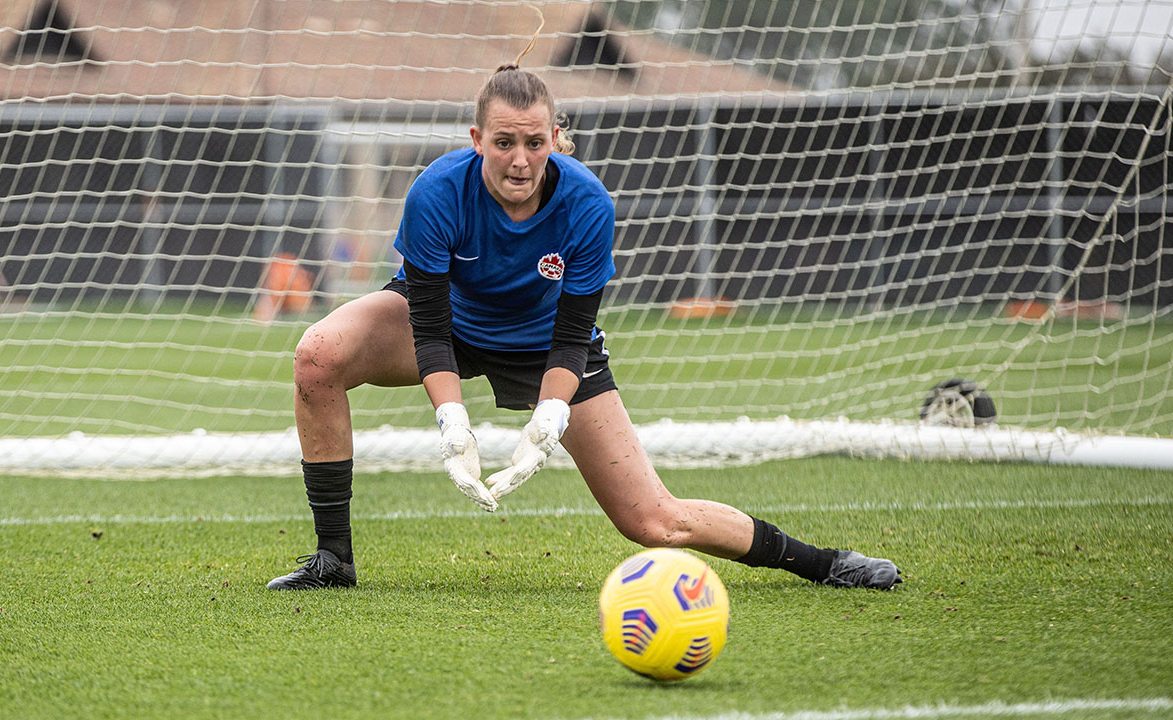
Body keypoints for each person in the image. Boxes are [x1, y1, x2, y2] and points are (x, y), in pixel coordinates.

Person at [267, 34, 902, 592]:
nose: (520, 159)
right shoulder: (437, 191)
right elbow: (429, 326)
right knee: (317, 356)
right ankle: (334, 559)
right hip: (451, 326)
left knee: (654, 521)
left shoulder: (588, 205)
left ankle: (825, 564)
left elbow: (573, 337)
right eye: (504, 142)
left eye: (535, 143)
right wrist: (451, 419)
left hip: (547, 345)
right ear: (476, 140)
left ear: (555, 140)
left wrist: (548, 419)